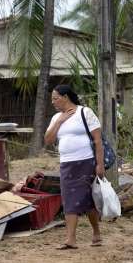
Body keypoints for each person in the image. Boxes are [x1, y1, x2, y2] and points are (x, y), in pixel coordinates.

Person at [44, 84, 105, 250]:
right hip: (66, 164)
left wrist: (100, 165)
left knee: (89, 199)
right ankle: (71, 239)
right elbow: (48, 140)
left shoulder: (85, 112)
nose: (53, 102)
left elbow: (98, 141)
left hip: (86, 162)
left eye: (55, 98)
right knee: (69, 199)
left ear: (65, 97)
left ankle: (96, 233)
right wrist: (60, 121)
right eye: (52, 99)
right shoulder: (56, 117)